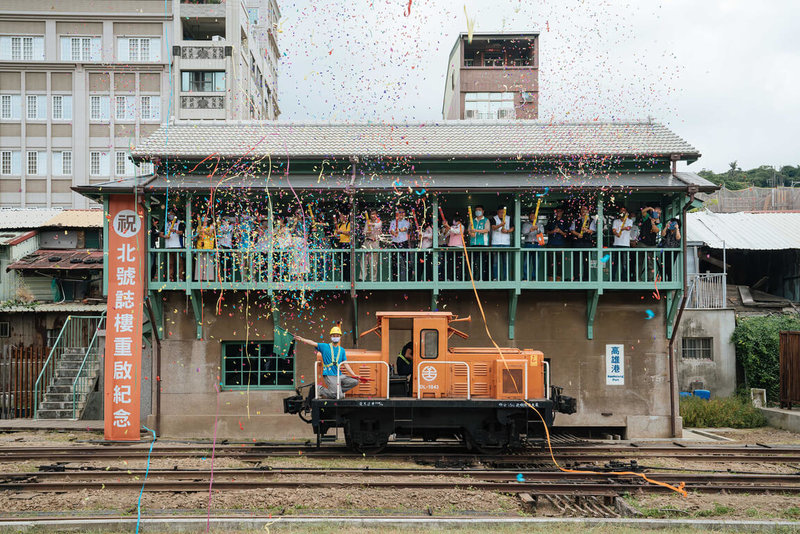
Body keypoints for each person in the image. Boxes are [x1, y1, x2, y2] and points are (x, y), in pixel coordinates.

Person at [295, 325, 361, 399]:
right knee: (339, 396)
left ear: (340, 337)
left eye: (337, 335)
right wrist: (301, 339)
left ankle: (337, 391)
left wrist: (354, 375)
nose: (335, 337)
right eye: (334, 335)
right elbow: (312, 343)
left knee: (355, 382)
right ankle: (320, 389)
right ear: (330, 336)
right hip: (329, 374)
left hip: (339, 375)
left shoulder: (342, 350)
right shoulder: (324, 346)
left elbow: (346, 364)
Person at [569, 205, 596, 281]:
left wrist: (586, 230)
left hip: (587, 243)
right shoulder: (576, 220)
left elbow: (592, 231)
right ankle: (576, 278)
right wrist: (578, 234)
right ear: (580, 211)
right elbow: (572, 229)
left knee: (586, 262)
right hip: (577, 243)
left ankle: (586, 278)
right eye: (582, 209)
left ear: (588, 211)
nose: (584, 211)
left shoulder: (591, 220)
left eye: (585, 209)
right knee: (576, 261)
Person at [544, 207, 570, 281]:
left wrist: (560, 232)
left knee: (559, 261)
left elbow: (567, 234)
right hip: (551, 243)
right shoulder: (551, 221)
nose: (558, 212)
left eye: (560, 211)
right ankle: (550, 277)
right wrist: (552, 231)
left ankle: (559, 276)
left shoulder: (565, 222)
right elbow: (546, 231)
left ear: (562, 212)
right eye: (557, 211)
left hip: (560, 243)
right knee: (550, 261)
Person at [638, 206, 663, 281]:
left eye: (658, 213)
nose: (656, 214)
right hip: (642, 243)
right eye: (655, 212)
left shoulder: (659, 223)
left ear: (660, 215)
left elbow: (656, 230)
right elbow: (643, 212)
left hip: (651, 244)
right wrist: (650, 208)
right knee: (639, 262)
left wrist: (653, 223)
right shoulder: (647, 217)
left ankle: (650, 279)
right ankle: (637, 278)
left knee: (650, 263)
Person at [611, 206, 634, 282]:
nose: (622, 212)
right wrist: (616, 233)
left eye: (624, 210)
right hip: (616, 244)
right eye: (621, 211)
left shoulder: (629, 220)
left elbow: (629, 228)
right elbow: (613, 230)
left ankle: (624, 279)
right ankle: (612, 278)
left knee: (624, 264)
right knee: (615, 263)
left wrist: (622, 228)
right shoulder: (616, 221)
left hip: (625, 245)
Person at [490, 206, 514, 281]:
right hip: (496, 242)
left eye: (503, 212)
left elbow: (512, 228)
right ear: (497, 212)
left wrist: (507, 231)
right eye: (500, 212)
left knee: (506, 262)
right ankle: (496, 278)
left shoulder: (509, 218)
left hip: (506, 242)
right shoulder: (494, 218)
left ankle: (506, 278)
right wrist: (501, 225)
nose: (502, 214)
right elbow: (493, 227)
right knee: (495, 262)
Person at [468, 205, 490, 280]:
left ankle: (482, 278)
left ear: (483, 211)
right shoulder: (472, 220)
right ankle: (472, 278)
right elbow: (469, 230)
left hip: (483, 244)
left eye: (479, 210)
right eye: (476, 210)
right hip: (473, 244)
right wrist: (471, 233)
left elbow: (487, 230)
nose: (478, 211)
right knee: (472, 262)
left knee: (482, 262)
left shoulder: (486, 220)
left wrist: (476, 231)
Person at [163, 209, 185, 281]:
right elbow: (160, 233)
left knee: (180, 263)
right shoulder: (166, 224)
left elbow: (182, 232)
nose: (170, 215)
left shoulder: (179, 223)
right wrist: (164, 236)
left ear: (175, 215)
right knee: (170, 263)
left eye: (171, 213)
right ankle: (170, 278)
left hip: (177, 246)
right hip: (168, 246)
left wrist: (175, 231)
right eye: (169, 214)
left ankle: (180, 278)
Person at [521, 211, 544, 281]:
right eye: (531, 215)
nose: (532, 217)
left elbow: (542, 232)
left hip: (537, 244)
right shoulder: (525, 224)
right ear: (529, 216)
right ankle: (525, 278)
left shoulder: (539, 224)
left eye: (534, 215)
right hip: (528, 244)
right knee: (526, 262)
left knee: (536, 262)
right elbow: (523, 232)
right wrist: (530, 230)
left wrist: (537, 229)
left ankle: (534, 278)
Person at [389, 208, 411, 281]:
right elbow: (391, 230)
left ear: (404, 213)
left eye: (402, 212)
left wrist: (399, 230)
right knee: (395, 262)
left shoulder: (406, 222)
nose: (401, 214)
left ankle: (408, 279)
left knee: (407, 261)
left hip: (403, 242)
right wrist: (394, 233)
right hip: (395, 242)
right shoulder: (393, 222)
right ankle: (395, 279)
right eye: (399, 212)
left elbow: (405, 228)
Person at [360, 210, 382, 282]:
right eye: (371, 214)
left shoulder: (379, 222)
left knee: (374, 263)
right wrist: (367, 233)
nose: (372, 215)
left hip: (375, 243)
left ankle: (373, 279)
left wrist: (371, 226)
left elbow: (377, 226)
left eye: (374, 214)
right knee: (364, 261)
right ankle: (362, 277)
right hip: (367, 242)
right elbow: (364, 232)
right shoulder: (367, 221)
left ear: (376, 215)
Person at [442, 213, 465, 280]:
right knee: (450, 263)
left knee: (458, 263)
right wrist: (446, 228)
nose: (454, 221)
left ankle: (458, 278)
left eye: (454, 220)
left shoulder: (461, 226)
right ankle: (450, 277)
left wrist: (449, 227)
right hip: (451, 246)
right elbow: (446, 236)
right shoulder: (452, 227)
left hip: (458, 247)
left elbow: (457, 232)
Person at [194, 215, 216, 282]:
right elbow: (196, 236)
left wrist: (203, 231)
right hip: (200, 246)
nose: (204, 219)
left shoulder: (211, 226)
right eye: (203, 217)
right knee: (200, 263)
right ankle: (199, 278)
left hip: (208, 247)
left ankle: (209, 279)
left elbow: (210, 234)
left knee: (208, 263)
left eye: (205, 217)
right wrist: (197, 235)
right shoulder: (199, 227)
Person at [334, 210, 351, 282]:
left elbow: (350, 233)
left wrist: (341, 232)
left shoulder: (349, 224)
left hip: (347, 244)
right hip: (340, 244)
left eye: (342, 216)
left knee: (347, 263)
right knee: (341, 262)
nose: (341, 217)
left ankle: (348, 279)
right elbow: (336, 235)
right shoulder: (339, 225)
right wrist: (337, 235)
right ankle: (342, 278)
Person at [216, 216, 234, 282]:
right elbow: (219, 235)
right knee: (222, 263)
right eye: (223, 220)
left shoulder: (231, 227)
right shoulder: (219, 227)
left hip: (228, 247)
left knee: (228, 263)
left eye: (225, 220)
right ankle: (223, 278)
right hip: (221, 247)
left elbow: (226, 231)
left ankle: (228, 278)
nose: (224, 221)